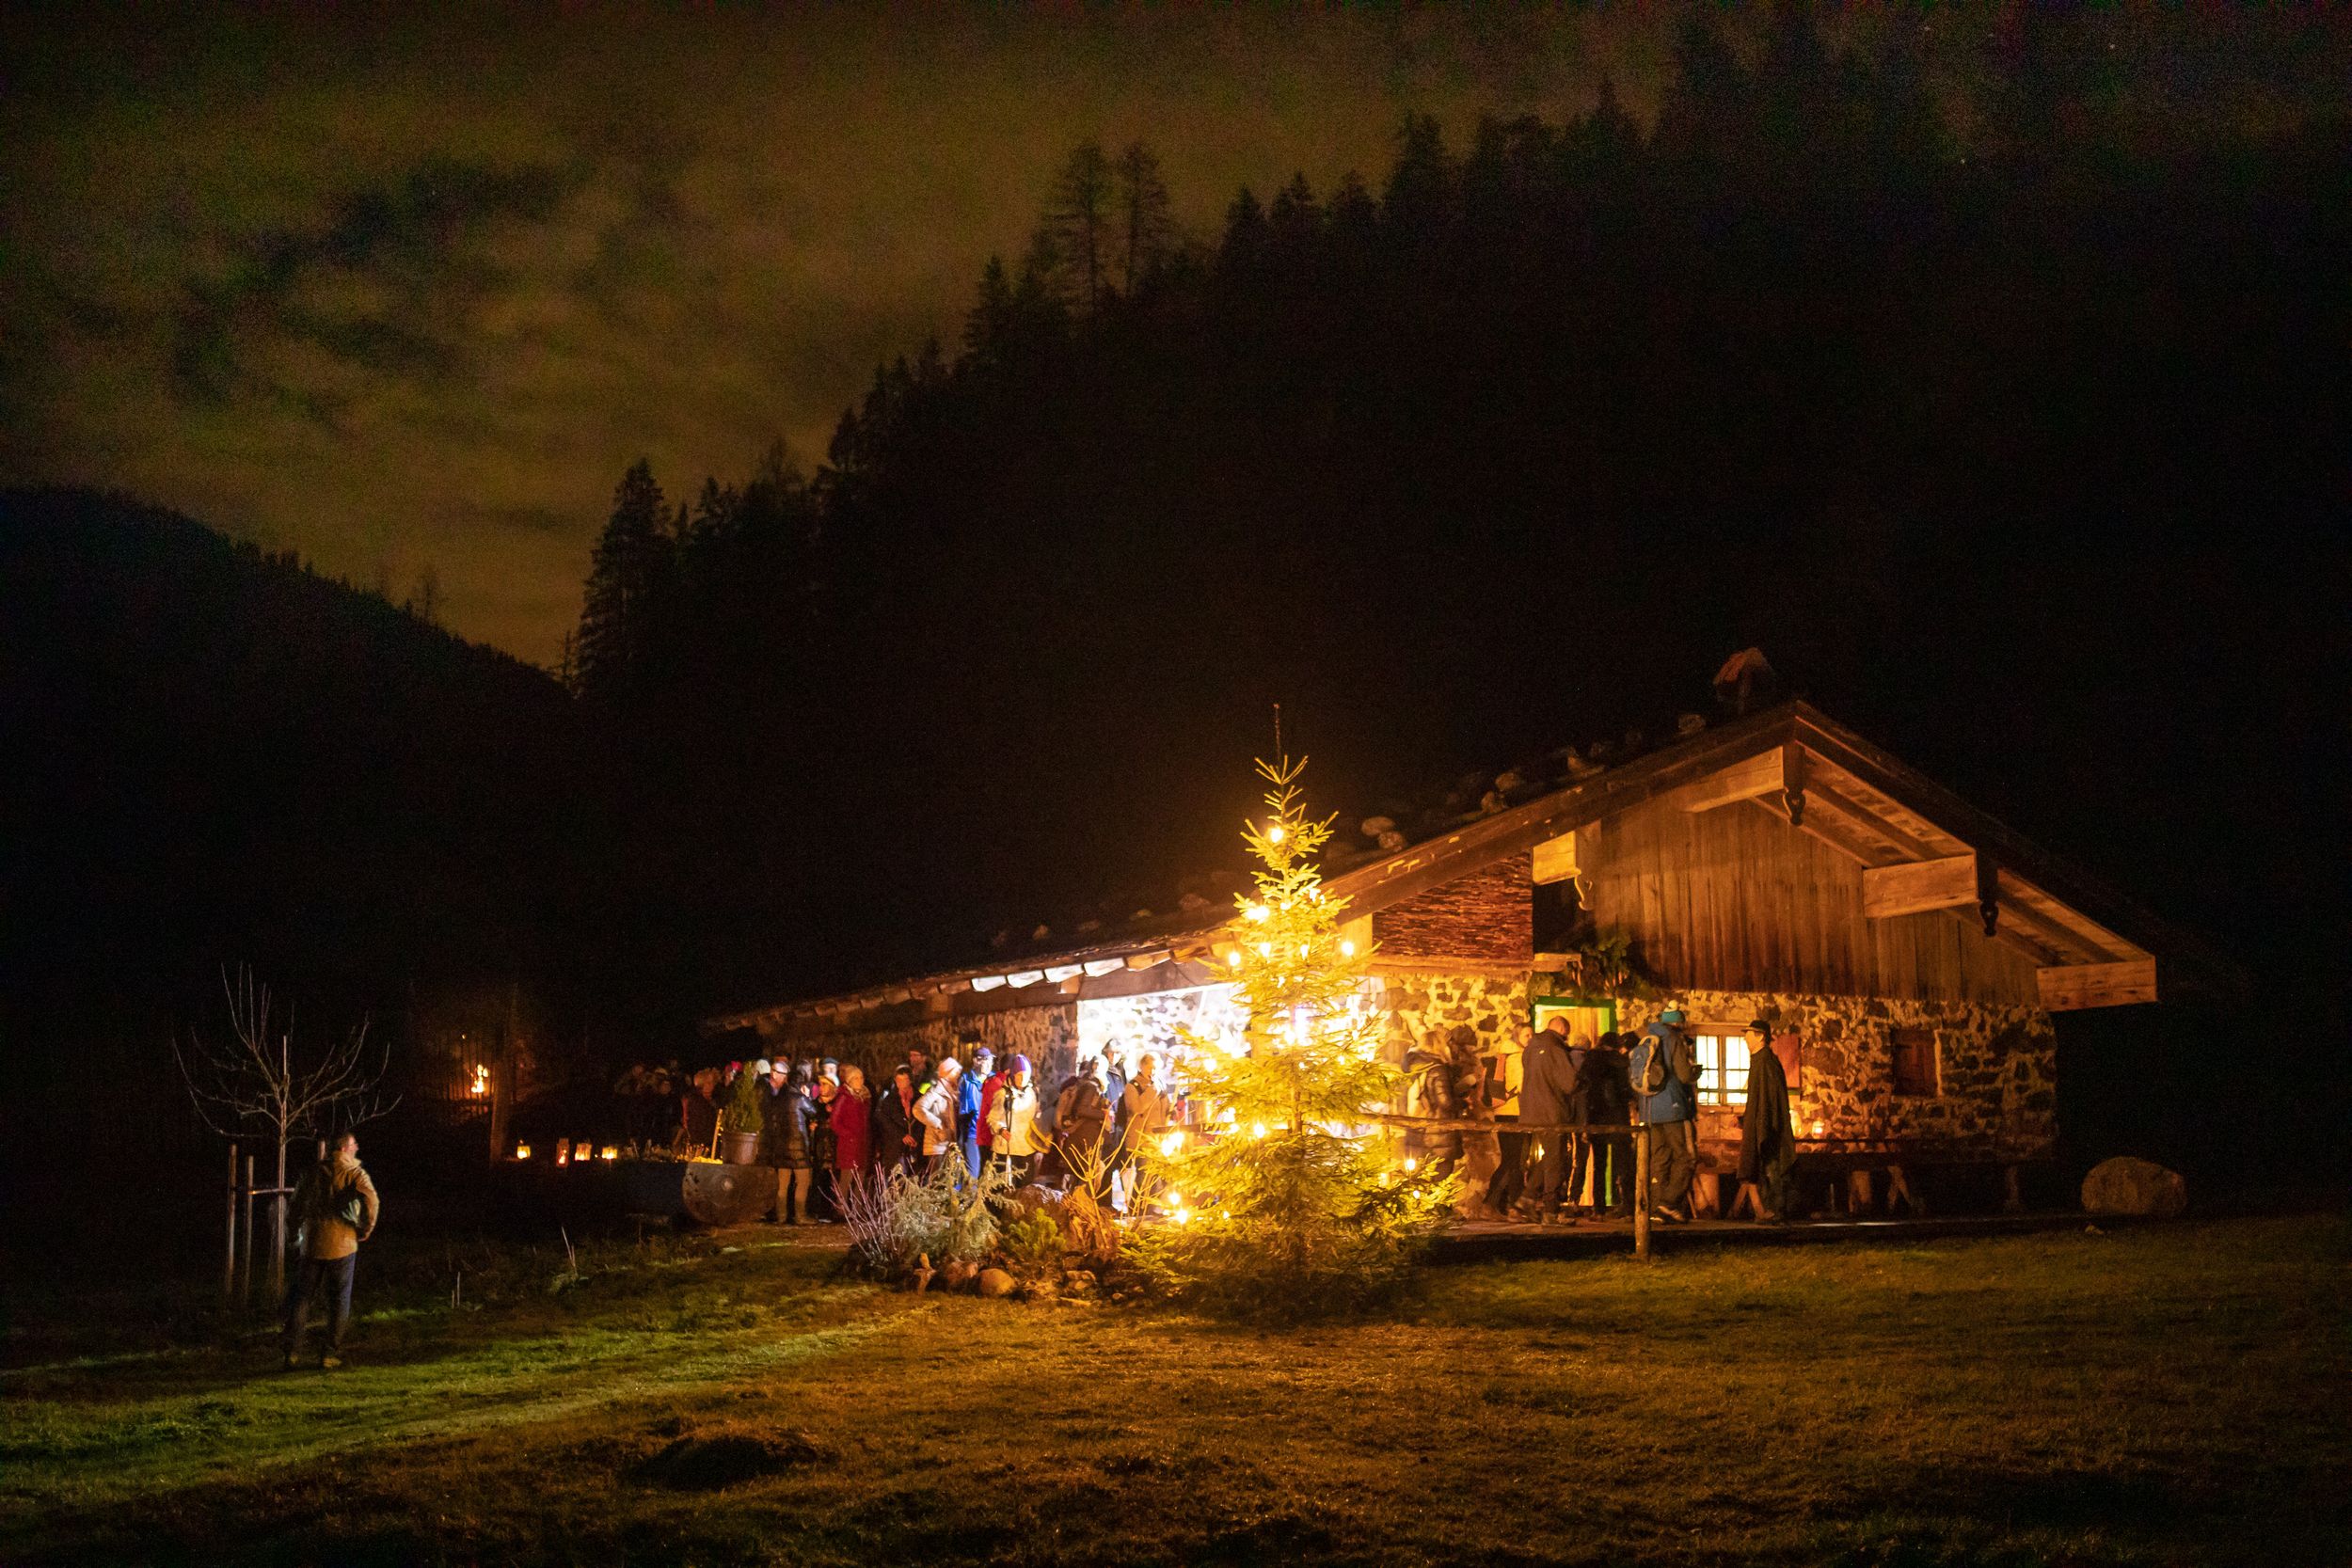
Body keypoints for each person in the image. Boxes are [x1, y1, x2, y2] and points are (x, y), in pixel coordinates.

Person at [281, 1132, 379, 1370]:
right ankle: (329, 1353)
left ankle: (291, 1352)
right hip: (343, 1243)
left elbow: (294, 1207)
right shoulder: (354, 1173)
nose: (357, 1148)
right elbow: (371, 1199)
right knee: (339, 1300)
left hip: (312, 1243)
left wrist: (294, 1235)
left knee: (302, 1298)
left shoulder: (312, 1173)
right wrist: (366, 1227)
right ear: (345, 1148)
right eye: (354, 1144)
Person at [1628, 1007, 1701, 1222]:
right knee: (1687, 1156)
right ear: (1678, 1023)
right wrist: (1696, 1071)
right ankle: (1668, 1204)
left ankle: (1655, 1209)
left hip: (1649, 1110)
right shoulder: (1673, 1039)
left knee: (1659, 1158)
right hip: (1674, 1107)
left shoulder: (1646, 1039)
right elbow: (1684, 1074)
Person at [1518, 1017, 1583, 1223]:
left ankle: (1527, 1198)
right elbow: (1569, 1083)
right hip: (1552, 1112)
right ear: (1563, 1028)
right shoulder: (1556, 1049)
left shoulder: (1530, 1048)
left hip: (1531, 1112)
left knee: (1551, 1157)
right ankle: (1551, 1212)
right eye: (1567, 1033)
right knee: (1557, 1160)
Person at [1737, 1019, 1798, 1221]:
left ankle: (1776, 1210)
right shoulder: (1759, 1061)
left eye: (1749, 1033)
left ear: (1760, 1036)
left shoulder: (1765, 1062)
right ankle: (1769, 1210)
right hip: (1762, 1122)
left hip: (1769, 1124)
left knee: (1773, 1168)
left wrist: (1764, 1123)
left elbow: (1770, 1097)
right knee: (1765, 1167)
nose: (1745, 1038)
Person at [1581, 1033, 1635, 1218]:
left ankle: (1599, 1208)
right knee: (1624, 1163)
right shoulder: (1621, 1063)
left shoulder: (1589, 1061)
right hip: (1619, 1116)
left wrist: (1587, 1120)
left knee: (1599, 1164)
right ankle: (1628, 1206)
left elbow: (1586, 1090)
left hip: (1596, 1115)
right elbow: (1628, 1090)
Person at [1484, 1025, 1534, 1219]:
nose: (1530, 1038)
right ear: (1517, 1037)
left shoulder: (1507, 1055)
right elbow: (1523, 1086)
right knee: (1515, 1161)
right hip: (1515, 1113)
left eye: (1532, 1035)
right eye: (1526, 1035)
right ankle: (1499, 1204)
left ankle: (1501, 1205)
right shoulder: (1517, 1058)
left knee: (1512, 1161)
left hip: (1504, 1112)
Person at [1115, 1052, 1171, 1210]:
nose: (1153, 1072)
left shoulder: (1159, 1086)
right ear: (1142, 1066)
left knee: (1155, 1175)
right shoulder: (1133, 1086)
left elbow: (1164, 1109)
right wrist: (1153, 1091)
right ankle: (1137, 1208)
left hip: (1157, 1140)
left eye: (1155, 1068)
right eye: (1150, 1068)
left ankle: (1152, 1208)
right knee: (1143, 1174)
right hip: (1141, 1139)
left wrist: (1170, 1111)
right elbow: (1136, 1108)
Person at [1053, 1056, 1111, 1182]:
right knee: (1082, 1179)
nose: (1097, 1068)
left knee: (1079, 1178)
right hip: (1083, 1139)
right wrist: (1103, 1114)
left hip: (1083, 1138)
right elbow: (1081, 1109)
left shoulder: (1088, 1084)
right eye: (1096, 1065)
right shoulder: (1092, 1086)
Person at [987, 1053, 1043, 1182]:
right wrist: (1001, 1129)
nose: (1022, 1079)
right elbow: (992, 1118)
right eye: (1019, 1075)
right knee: (1003, 1189)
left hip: (1027, 1148)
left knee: (1025, 1188)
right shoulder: (1002, 1094)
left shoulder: (1031, 1093)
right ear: (1013, 1074)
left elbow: (1036, 1117)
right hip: (1006, 1149)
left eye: (1025, 1075)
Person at [915, 1055, 963, 1178]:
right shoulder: (936, 1092)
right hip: (936, 1146)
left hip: (948, 1144)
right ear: (948, 1073)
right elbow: (918, 1109)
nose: (958, 1074)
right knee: (937, 1184)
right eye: (956, 1071)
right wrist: (937, 1123)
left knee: (947, 1184)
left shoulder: (953, 1092)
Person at [830, 1063, 872, 1189]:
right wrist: (849, 1135)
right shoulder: (844, 1098)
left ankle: (858, 1209)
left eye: (861, 1078)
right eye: (856, 1078)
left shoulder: (865, 1098)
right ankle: (842, 1209)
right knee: (846, 1181)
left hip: (862, 1145)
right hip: (849, 1147)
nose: (860, 1081)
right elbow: (834, 1122)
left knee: (860, 1184)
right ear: (849, 1081)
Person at [872, 1066, 919, 1177]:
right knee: (894, 1178)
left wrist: (916, 1137)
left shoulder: (918, 1098)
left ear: (910, 1080)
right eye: (898, 1080)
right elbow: (883, 1120)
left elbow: (921, 1122)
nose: (900, 1083)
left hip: (914, 1147)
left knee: (914, 1176)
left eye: (904, 1080)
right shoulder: (889, 1100)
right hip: (894, 1146)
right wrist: (901, 1135)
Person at [957, 1039, 993, 1181]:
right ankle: (969, 1200)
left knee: (987, 1170)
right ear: (977, 1062)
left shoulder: (993, 1079)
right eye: (987, 1061)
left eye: (991, 1061)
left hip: (990, 1131)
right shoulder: (966, 1081)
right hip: (972, 1132)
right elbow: (961, 1108)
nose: (990, 1065)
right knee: (973, 1171)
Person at [679, 1067, 721, 1154]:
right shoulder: (695, 1101)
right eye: (708, 1083)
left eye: (712, 1083)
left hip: (710, 1141)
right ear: (701, 1085)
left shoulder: (712, 1100)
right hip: (700, 1144)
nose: (712, 1086)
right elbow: (697, 1124)